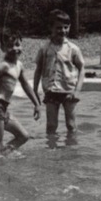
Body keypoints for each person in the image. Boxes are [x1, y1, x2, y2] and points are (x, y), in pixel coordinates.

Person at [33, 10, 85, 145]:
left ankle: (72, 150)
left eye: (66, 27)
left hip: (69, 91)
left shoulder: (73, 49)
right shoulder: (44, 48)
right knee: (51, 125)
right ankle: (51, 150)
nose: (62, 30)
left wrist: (77, 90)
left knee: (71, 124)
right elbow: (38, 70)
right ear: (50, 28)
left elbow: (82, 68)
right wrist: (35, 92)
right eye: (58, 27)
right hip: (51, 91)